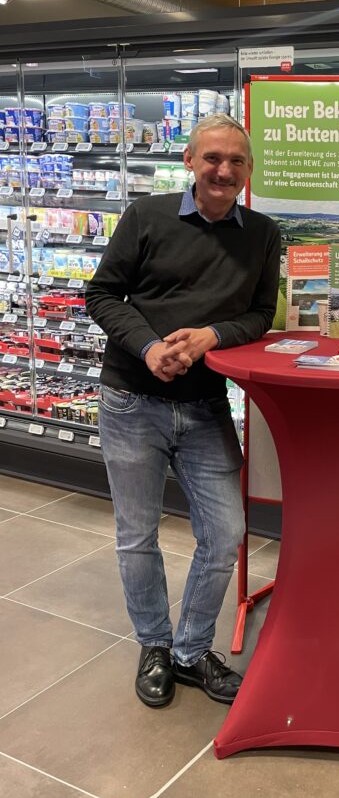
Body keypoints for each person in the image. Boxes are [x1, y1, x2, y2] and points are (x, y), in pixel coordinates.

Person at [85, 113, 280, 709]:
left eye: (236, 161)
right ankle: (154, 646)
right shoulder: (146, 216)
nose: (224, 171)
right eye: (213, 158)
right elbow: (99, 294)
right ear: (190, 161)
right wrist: (149, 348)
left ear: (249, 170)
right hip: (130, 400)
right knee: (136, 536)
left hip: (204, 405)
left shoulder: (263, 233)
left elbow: (260, 315)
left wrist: (211, 337)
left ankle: (192, 651)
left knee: (224, 534)